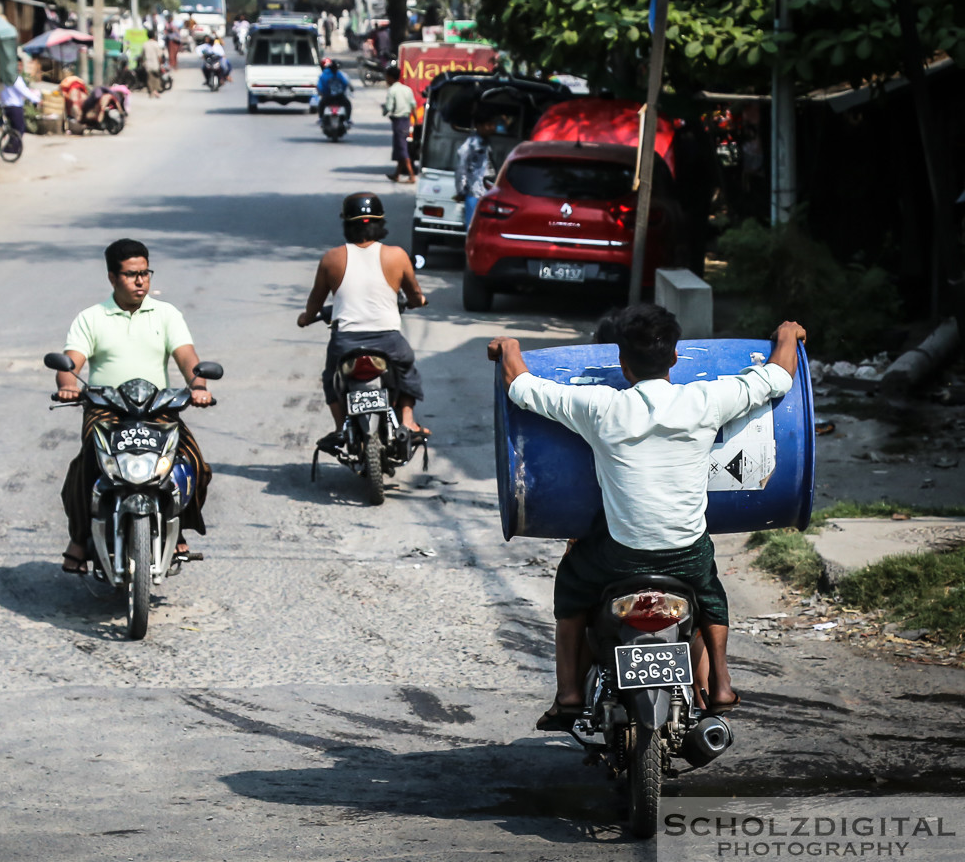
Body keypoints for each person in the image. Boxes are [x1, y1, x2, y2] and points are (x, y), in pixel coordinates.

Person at [487, 306, 807, 731]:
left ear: (622, 363)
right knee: (710, 596)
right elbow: (779, 378)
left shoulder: (600, 407)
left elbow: (521, 385)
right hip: (686, 554)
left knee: (571, 587)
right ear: (675, 357)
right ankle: (722, 683)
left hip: (620, 557)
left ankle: (568, 693)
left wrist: (509, 346)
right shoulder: (705, 400)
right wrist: (787, 334)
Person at [54, 239, 215, 574]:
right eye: (131, 275)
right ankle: (80, 539)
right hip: (106, 407)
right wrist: (69, 387)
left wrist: (198, 385)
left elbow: (187, 357)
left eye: (145, 273)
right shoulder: (92, 318)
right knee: (87, 466)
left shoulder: (166, 314)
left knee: (194, 463)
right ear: (113, 278)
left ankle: (179, 524)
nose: (140, 281)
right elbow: (70, 364)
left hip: (157, 406)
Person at [297, 193, 429, 443]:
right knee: (407, 368)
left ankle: (340, 429)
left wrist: (306, 318)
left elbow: (315, 301)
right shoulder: (397, 256)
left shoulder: (331, 259)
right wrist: (417, 301)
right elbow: (414, 294)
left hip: (345, 342)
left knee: (331, 378)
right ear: (380, 223)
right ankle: (408, 420)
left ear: (347, 224)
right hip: (388, 342)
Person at [454, 108, 501, 226]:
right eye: (488, 125)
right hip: (475, 194)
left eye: (493, 124)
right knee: (472, 228)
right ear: (479, 126)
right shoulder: (470, 145)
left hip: (488, 194)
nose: (492, 127)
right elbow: (461, 169)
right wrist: (461, 191)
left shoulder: (488, 144)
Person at [382, 66, 416, 183]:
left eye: (387, 77)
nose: (386, 79)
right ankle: (396, 175)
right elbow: (413, 105)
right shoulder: (407, 89)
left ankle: (412, 176)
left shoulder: (392, 90)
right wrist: (415, 120)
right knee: (400, 147)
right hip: (407, 121)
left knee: (402, 149)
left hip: (398, 122)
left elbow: (389, 107)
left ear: (391, 78)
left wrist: (384, 110)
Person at [0, 70, 42, 155]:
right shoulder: (15, 79)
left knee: (15, 128)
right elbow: (24, 91)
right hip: (15, 106)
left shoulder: (5, 77)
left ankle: (10, 147)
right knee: (19, 128)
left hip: (7, 105)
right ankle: (11, 148)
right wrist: (37, 100)